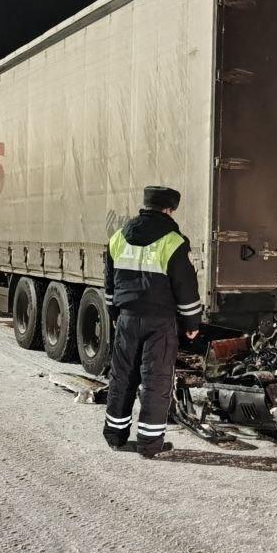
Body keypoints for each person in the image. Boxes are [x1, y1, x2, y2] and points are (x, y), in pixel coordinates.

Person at [103, 186, 201, 458]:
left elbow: (109, 286)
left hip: (126, 319)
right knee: (156, 381)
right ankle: (149, 444)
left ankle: (115, 435)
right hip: (160, 322)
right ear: (169, 209)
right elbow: (186, 288)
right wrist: (192, 323)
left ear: (145, 205)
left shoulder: (118, 237)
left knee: (122, 377)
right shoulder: (174, 242)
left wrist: (116, 316)